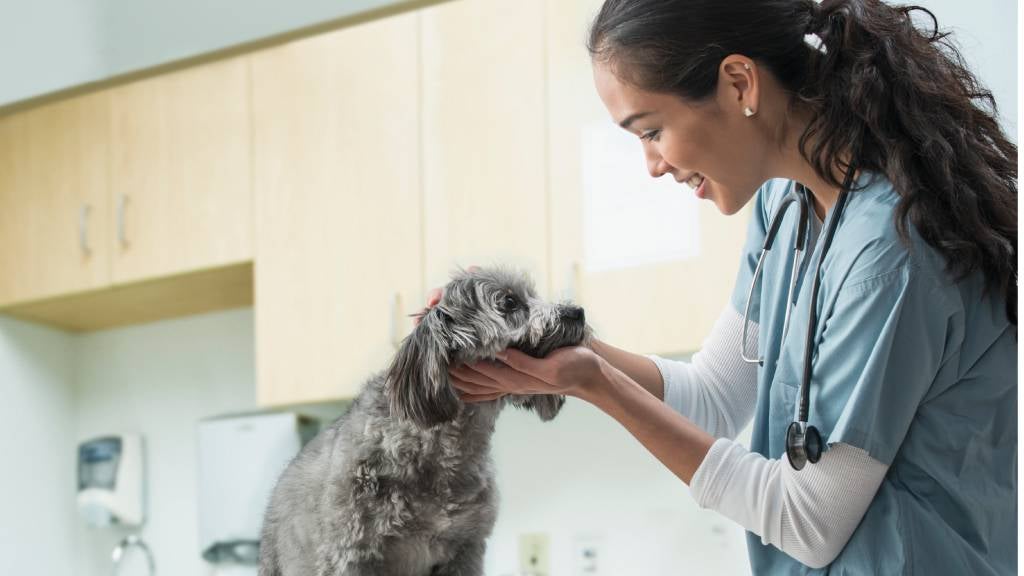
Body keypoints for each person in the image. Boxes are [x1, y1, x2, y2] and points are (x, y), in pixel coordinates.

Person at [428, 0, 1017, 573]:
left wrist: (596, 384)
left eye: (651, 129)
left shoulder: (888, 255)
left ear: (739, 84)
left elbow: (808, 521)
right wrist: (539, 333)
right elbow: (713, 397)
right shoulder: (785, 210)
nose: (652, 164)